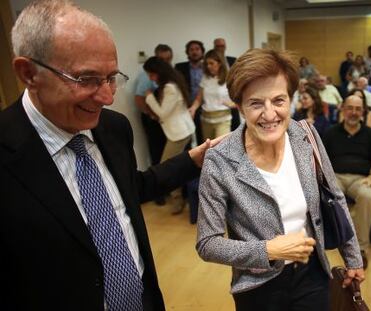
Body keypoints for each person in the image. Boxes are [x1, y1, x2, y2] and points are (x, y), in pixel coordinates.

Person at [1, 1, 221, 310]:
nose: (107, 97)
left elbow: (132, 187)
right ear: (29, 73)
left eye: (111, 78)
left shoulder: (114, 128)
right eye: (87, 79)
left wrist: (195, 159)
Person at [196, 49, 364, 311]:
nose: (270, 114)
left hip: (313, 273)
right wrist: (269, 250)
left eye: (278, 100)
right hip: (257, 285)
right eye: (255, 103)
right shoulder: (219, 160)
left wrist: (353, 258)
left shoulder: (305, 136)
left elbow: (336, 197)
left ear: (291, 99)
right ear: (239, 106)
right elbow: (208, 243)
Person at [324, 95, 371, 268]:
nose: (353, 112)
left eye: (358, 109)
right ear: (343, 109)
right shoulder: (331, 132)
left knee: (368, 195)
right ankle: (337, 242)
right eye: (350, 108)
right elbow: (321, 160)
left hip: (361, 178)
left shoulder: (370, 134)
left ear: (363, 112)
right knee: (331, 195)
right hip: (336, 177)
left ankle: (360, 248)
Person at [143, 57, 196, 214]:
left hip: (179, 133)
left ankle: (178, 200)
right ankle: (180, 199)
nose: (150, 78)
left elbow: (163, 114)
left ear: (158, 72)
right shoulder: (173, 83)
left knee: (167, 167)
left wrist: (149, 97)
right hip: (181, 131)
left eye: (151, 74)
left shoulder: (170, 88)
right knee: (178, 165)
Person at [135, 44, 173, 205]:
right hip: (153, 120)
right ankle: (159, 194)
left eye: (168, 58)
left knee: (168, 154)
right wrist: (152, 115)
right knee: (157, 154)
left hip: (166, 120)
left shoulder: (168, 74)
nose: (165, 61)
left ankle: (170, 189)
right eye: (162, 59)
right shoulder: (146, 76)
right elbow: (139, 98)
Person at [189, 49, 235, 141]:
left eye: (211, 63)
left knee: (221, 148)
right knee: (208, 148)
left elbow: (240, 99)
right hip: (206, 119)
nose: (208, 66)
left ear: (220, 63)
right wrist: (193, 108)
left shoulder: (229, 79)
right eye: (206, 64)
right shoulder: (205, 78)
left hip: (223, 120)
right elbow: (199, 98)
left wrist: (232, 104)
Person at [175, 40, 205, 145]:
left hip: (205, 106)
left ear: (202, 51)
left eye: (197, 49)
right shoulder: (179, 67)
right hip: (186, 107)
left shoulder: (209, 67)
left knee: (204, 137)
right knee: (186, 137)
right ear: (187, 52)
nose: (194, 52)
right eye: (191, 49)